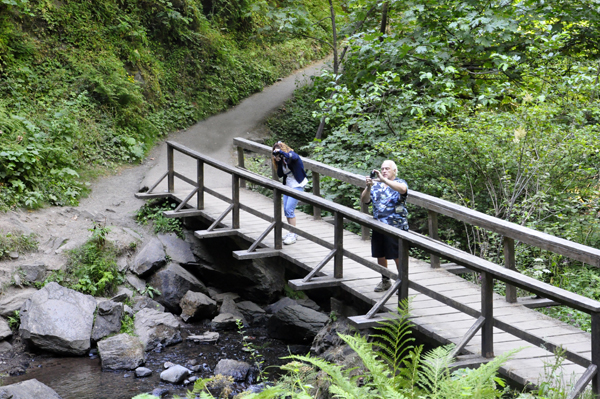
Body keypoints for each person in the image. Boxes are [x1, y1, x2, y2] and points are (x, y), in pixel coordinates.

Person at [360, 160, 409, 292]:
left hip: (395, 227)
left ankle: (402, 282)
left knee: (397, 255)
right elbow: (365, 200)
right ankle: (385, 280)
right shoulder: (376, 185)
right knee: (379, 254)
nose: (384, 171)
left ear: (394, 171)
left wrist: (384, 181)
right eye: (382, 169)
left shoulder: (400, 182)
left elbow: (403, 190)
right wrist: (369, 186)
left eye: (387, 169)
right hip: (379, 225)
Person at [272, 141, 308, 245]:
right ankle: (291, 232)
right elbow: (279, 175)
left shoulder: (292, 155)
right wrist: (278, 161)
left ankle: (293, 234)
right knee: (286, 210)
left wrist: (282, 154)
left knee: (289, 209)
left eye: (280, 151)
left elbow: (293, 157)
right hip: (288, 186)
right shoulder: (282, 161)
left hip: (297, 185)